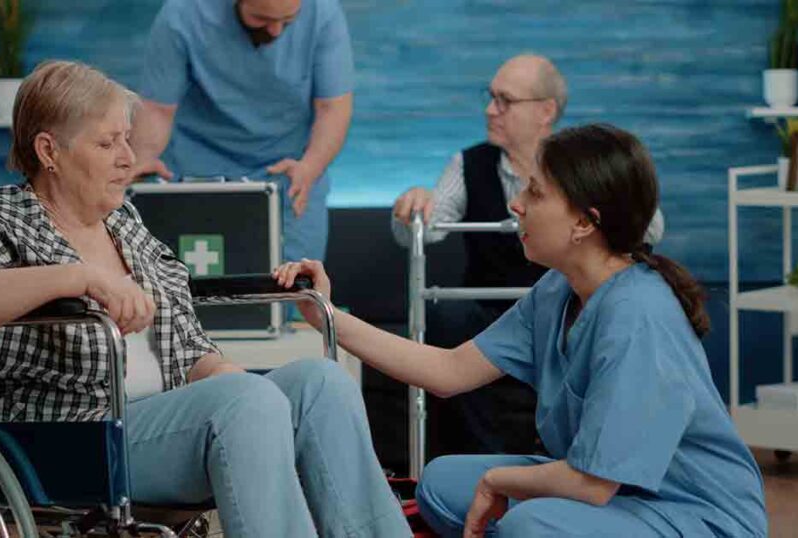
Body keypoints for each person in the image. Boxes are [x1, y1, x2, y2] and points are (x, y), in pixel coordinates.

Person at [0, 61, 408, 538]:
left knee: (320, 381)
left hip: (165, 421)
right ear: (49, 150)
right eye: (107, 143)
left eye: (127, 140)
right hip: (67, 439)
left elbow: (190, 349)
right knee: (245, 402)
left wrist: (236, 382)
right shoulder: (3, 216)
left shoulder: (125, 223)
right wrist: (76, 277)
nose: (128, 158)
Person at [275, 124, 766, 537]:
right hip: (614, 495)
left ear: (583, 223)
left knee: (528, 524)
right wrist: (326, 314)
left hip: (691, 512)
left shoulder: (639, 315)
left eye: (534, 192)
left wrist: (497, 481)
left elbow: (595, 484)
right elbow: (447, 370)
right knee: (439, 483)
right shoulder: (557, 290)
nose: (517, 204)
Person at [389, 55, 664, 457]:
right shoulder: (469, 164)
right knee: (450, 318)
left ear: (546, 111)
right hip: (493, 318)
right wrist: (413, 208)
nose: (490, 110)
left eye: (505, 100)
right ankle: (487, 459)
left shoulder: (583, 166)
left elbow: (648, 226)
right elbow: (418, 232)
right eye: (490, 97)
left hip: (568, 313)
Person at [130, 0, 354, 265]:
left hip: (290, 171)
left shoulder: (323, 14)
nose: (276, 32)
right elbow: (157, 108)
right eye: (261, 19)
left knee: (297, 283)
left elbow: (332, 108)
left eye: (288, 21)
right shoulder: (183, 14)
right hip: (196, 165)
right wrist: (141, 159)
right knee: (183, 281)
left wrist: (310, 167)